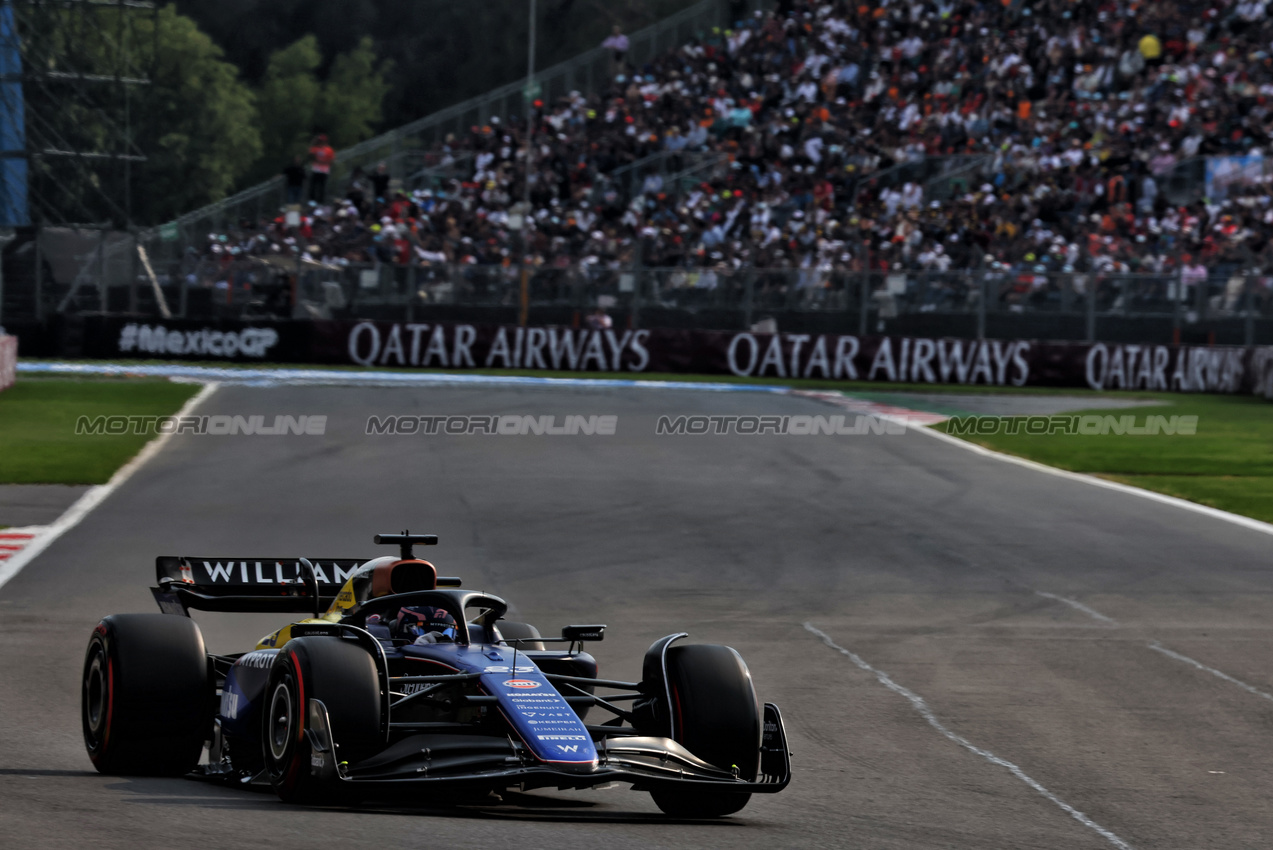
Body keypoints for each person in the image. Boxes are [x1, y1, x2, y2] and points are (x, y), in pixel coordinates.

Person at [308, 134, 336, 203]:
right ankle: (312, 201)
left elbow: (332, 160)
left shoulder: (329, 150)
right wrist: (313, 142)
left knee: (322, 187)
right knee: (313, 186)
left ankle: (320, 202)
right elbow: (310, 152)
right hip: (316, 169)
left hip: (324, 170)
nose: (320, 142)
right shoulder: (316, 148)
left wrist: (323, 162)